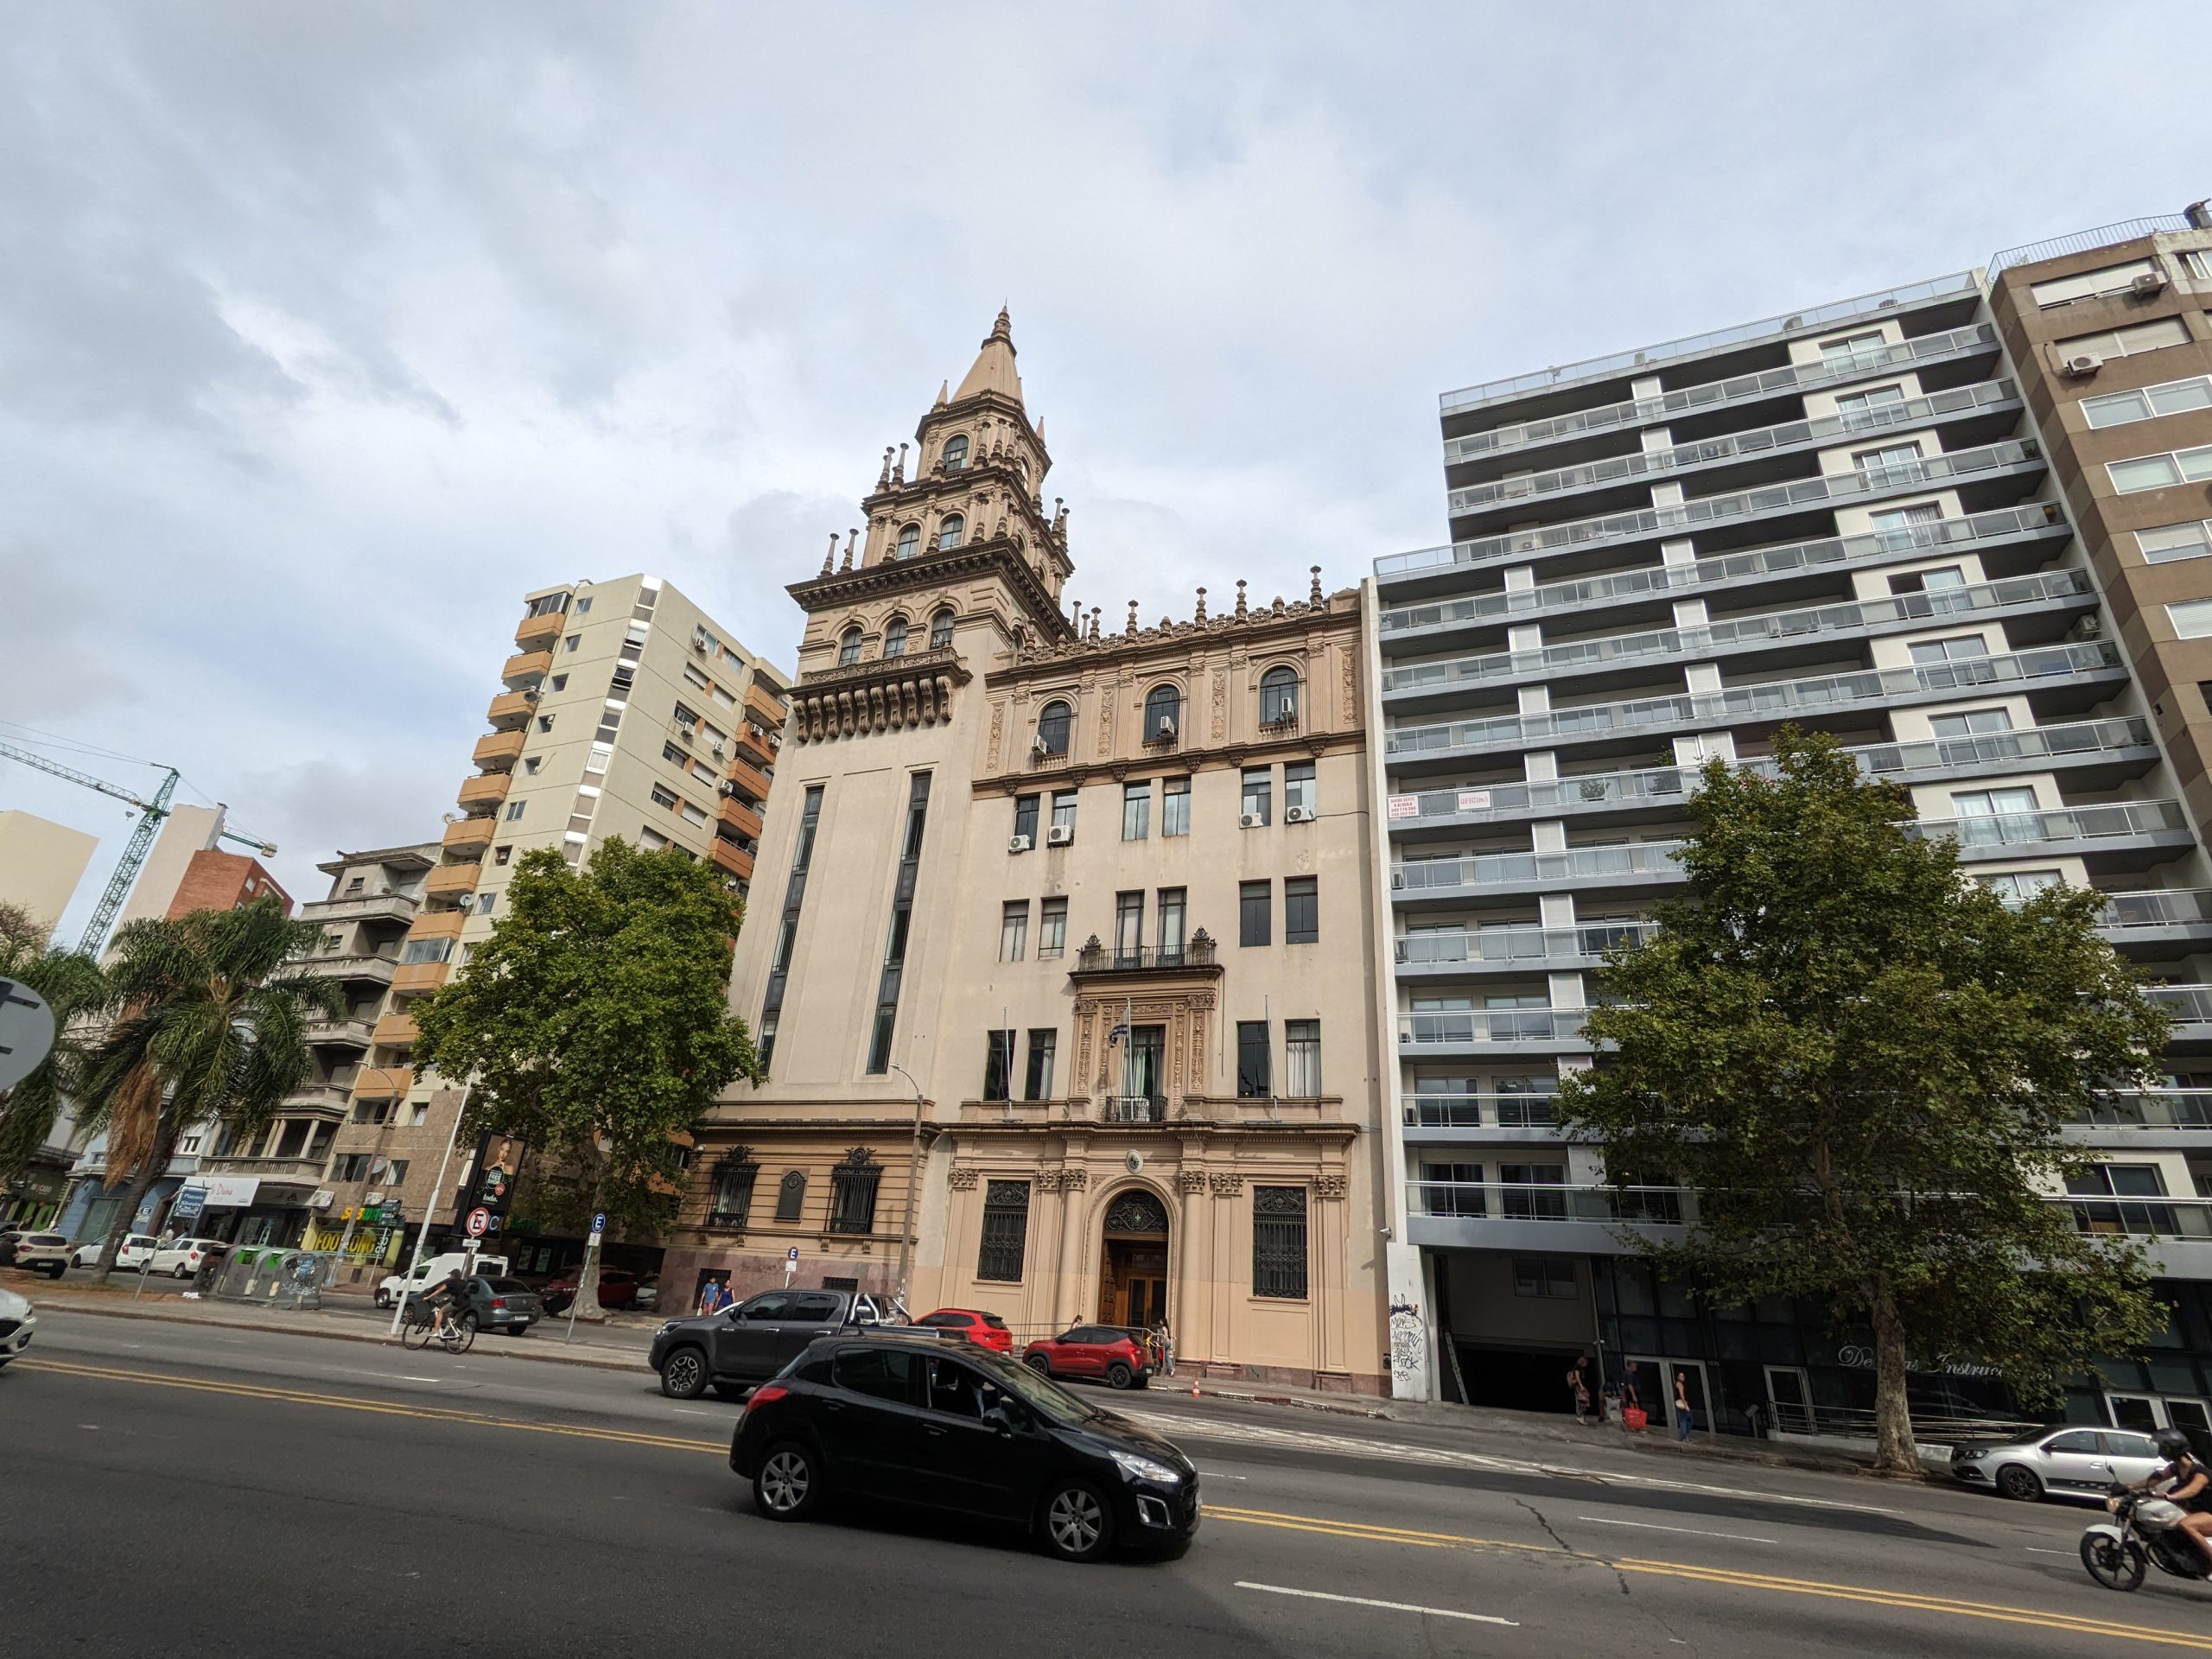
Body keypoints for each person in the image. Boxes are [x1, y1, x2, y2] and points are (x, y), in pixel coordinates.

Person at [2135, 1427, 2212, 1571]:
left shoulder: (2200, 1472)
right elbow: (2157, 1479)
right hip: (2195, 1511)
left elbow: (2192, 1490)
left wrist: (2170, 1496)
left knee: (2186, 1525)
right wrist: (2129, 1486)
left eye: (2164, 1447)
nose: (2161, 1450)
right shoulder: (2176, 1468)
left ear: (2174, 1449)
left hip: (2209, 1513)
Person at [426, 1267, 467, 1340]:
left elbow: (439, 1291)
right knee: (450, 1317)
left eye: (450, 1275)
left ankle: (435, 1331)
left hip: (457, 1303)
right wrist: (448, 1298)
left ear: (453, 1275)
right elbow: (459, 1293)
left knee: (441, 1311)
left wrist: (428, 1297)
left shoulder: (450, 1282)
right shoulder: (463, 1282)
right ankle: (452, 1332)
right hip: (466, 1303)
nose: (450, 1276)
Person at [1567, 1354, 1593, 1425]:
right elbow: (1577, 1377)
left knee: (1583, 1402)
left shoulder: (1581, 1369)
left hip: (1581, 1387)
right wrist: (1581, 1386)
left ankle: (1581, 1416)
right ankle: (1579, 1416)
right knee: (1580, 1401)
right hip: (1578, 1387)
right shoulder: (1577, 1368)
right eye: (1585, 1363)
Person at [1674, 1370, 1695, 1440]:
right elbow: (1682, 1395)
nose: (1682, 1377)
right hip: (1682, 1404)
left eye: (1683, 1376)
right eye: (1681, 1376)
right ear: (1678, 1377)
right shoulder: (1679, 1384)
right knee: (1685, 1420)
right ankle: (1684, 1436)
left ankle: (1685, 1436)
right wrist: (1686, 1405)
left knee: (1686, 1419)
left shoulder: (1682, 1384)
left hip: (1682, 1403)